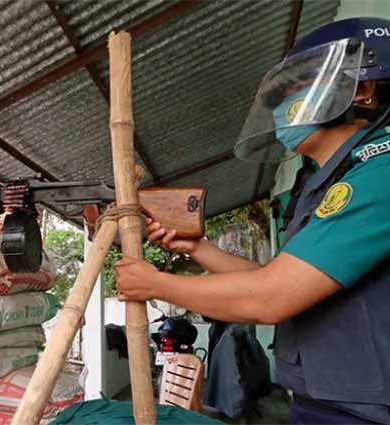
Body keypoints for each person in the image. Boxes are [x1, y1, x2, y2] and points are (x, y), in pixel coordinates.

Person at [115, 17, 390, 424]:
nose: (279, 108)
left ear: (363, 89)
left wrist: (156, 283)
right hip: (329, 403)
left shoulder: (378, 172)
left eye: (295, 88)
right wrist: (198, 248)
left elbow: (272, 297)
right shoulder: (325, 179)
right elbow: (278, 277)